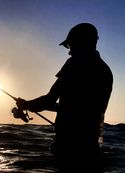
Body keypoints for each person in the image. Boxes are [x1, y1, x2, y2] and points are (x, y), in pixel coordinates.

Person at [17, 23, 113, 165]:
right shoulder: (105, 70)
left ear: (79, 41)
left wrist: (27, 105)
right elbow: (77, 107)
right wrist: (31, 105)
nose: (69, 51)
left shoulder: (74, 64)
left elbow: (50, 99)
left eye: (69, 45)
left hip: (69, 145)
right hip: (92, 146)